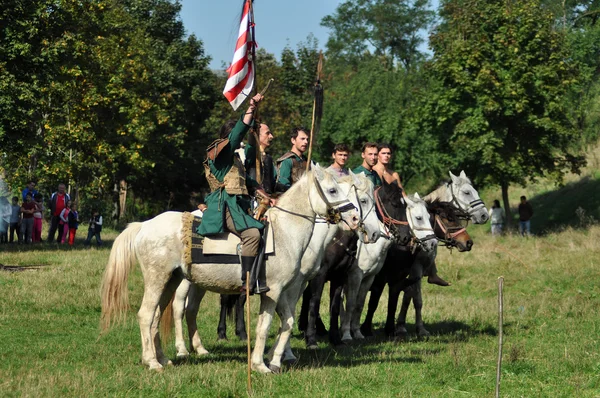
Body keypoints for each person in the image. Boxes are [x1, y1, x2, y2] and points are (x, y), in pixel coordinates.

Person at [198, 93, 271, 294]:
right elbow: (236, 136)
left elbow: (247, 180)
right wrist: (251, 109)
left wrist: (266, 195)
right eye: (236, 140)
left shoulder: (233, 160)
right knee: (252, 233)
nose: (239, 145)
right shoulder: (220, 155)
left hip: (238, 205)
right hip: (225, 205)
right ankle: (247, 280)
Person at [245, 121, 278, 195]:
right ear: (257, 135)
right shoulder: (250, 153)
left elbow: (272, 183)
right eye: (267, 133)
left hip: (268, 199)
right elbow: (250, 144)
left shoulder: (268, 158)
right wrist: (252, 132)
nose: (271, 136)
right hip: (254, 198)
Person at [276, 127, 310, 192]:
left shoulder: (309, 162)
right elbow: (283, 186)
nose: (306, 142)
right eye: (302, 139)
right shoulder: (287, 161)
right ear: (293, 140)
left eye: (307, 139)